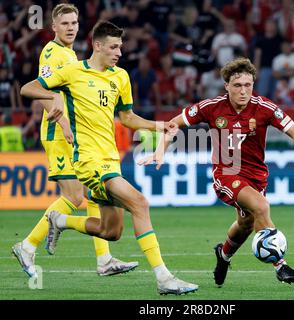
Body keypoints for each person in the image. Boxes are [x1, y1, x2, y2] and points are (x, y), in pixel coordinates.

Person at [20, 20, 198, 296]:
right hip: (89, 162)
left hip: (111, 159)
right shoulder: (72, 71)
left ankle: (61, 221)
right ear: (98, 45)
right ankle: (164, 278)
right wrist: (53, 99)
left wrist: (158, 125)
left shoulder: (121, 77)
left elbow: (127, 118)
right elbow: (28, 88)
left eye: (120, 47)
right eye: (114, 47)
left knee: (111, 231)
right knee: (140, 203)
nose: (119, 52)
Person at [138, 57, 294, 286]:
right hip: (227, 173)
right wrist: (160, 150)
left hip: (256, 176)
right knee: (261, 207)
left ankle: (223, 255)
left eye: (248, 85)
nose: (243, 91)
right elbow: (173, 124)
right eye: (237, 85)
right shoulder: (211, 107)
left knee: (246, 224)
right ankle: (280, 266)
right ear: (226, 86)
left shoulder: (264, 108)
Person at [12, 4, 136, 279]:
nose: (70, 27)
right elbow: (44, 91)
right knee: (73, 196)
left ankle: (104, 259)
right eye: (64, 23)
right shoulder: (53, 52)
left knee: (94, 187)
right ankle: (27, 245)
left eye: (74, 22)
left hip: (74, 132)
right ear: (53, 27)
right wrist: (65, 125)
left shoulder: (69, 54)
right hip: (60, 133)